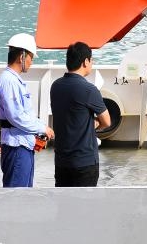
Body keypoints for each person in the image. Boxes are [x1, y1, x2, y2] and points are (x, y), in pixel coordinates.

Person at [0, 33, 54, 187]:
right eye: (31, 58)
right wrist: (42, 128)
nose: (31, 62)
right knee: (17, 195)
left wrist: (40, 127)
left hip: (23, 144)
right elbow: (16, 116)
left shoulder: (13, 80)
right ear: (22, 57)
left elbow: (23, 114)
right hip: (16, 146)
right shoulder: (9, 81)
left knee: (25, 193)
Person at [49, 41, 110, 187]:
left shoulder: (55, 86)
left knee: (63, 200)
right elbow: (107, 121)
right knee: (85, 201)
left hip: (62, 161)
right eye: (91, 60)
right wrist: (94, 124)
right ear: (85, 62)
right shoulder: (89, 89)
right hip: (84, 162)